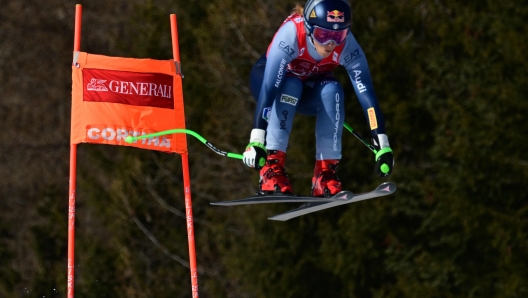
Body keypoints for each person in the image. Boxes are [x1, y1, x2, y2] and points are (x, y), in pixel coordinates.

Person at [242, 0, 394, 197]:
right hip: (270, 83)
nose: (330, 43)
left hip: (307, 91)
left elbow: (366, 94)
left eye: (338, 36)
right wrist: (256, 140)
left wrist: (382, 143)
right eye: (323, 35)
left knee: (333, 90)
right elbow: (270, 87)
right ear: (308, 28)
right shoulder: (292, 33)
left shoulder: (348, 45)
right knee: (291, 84)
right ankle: (272, 166)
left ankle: (325, 173)